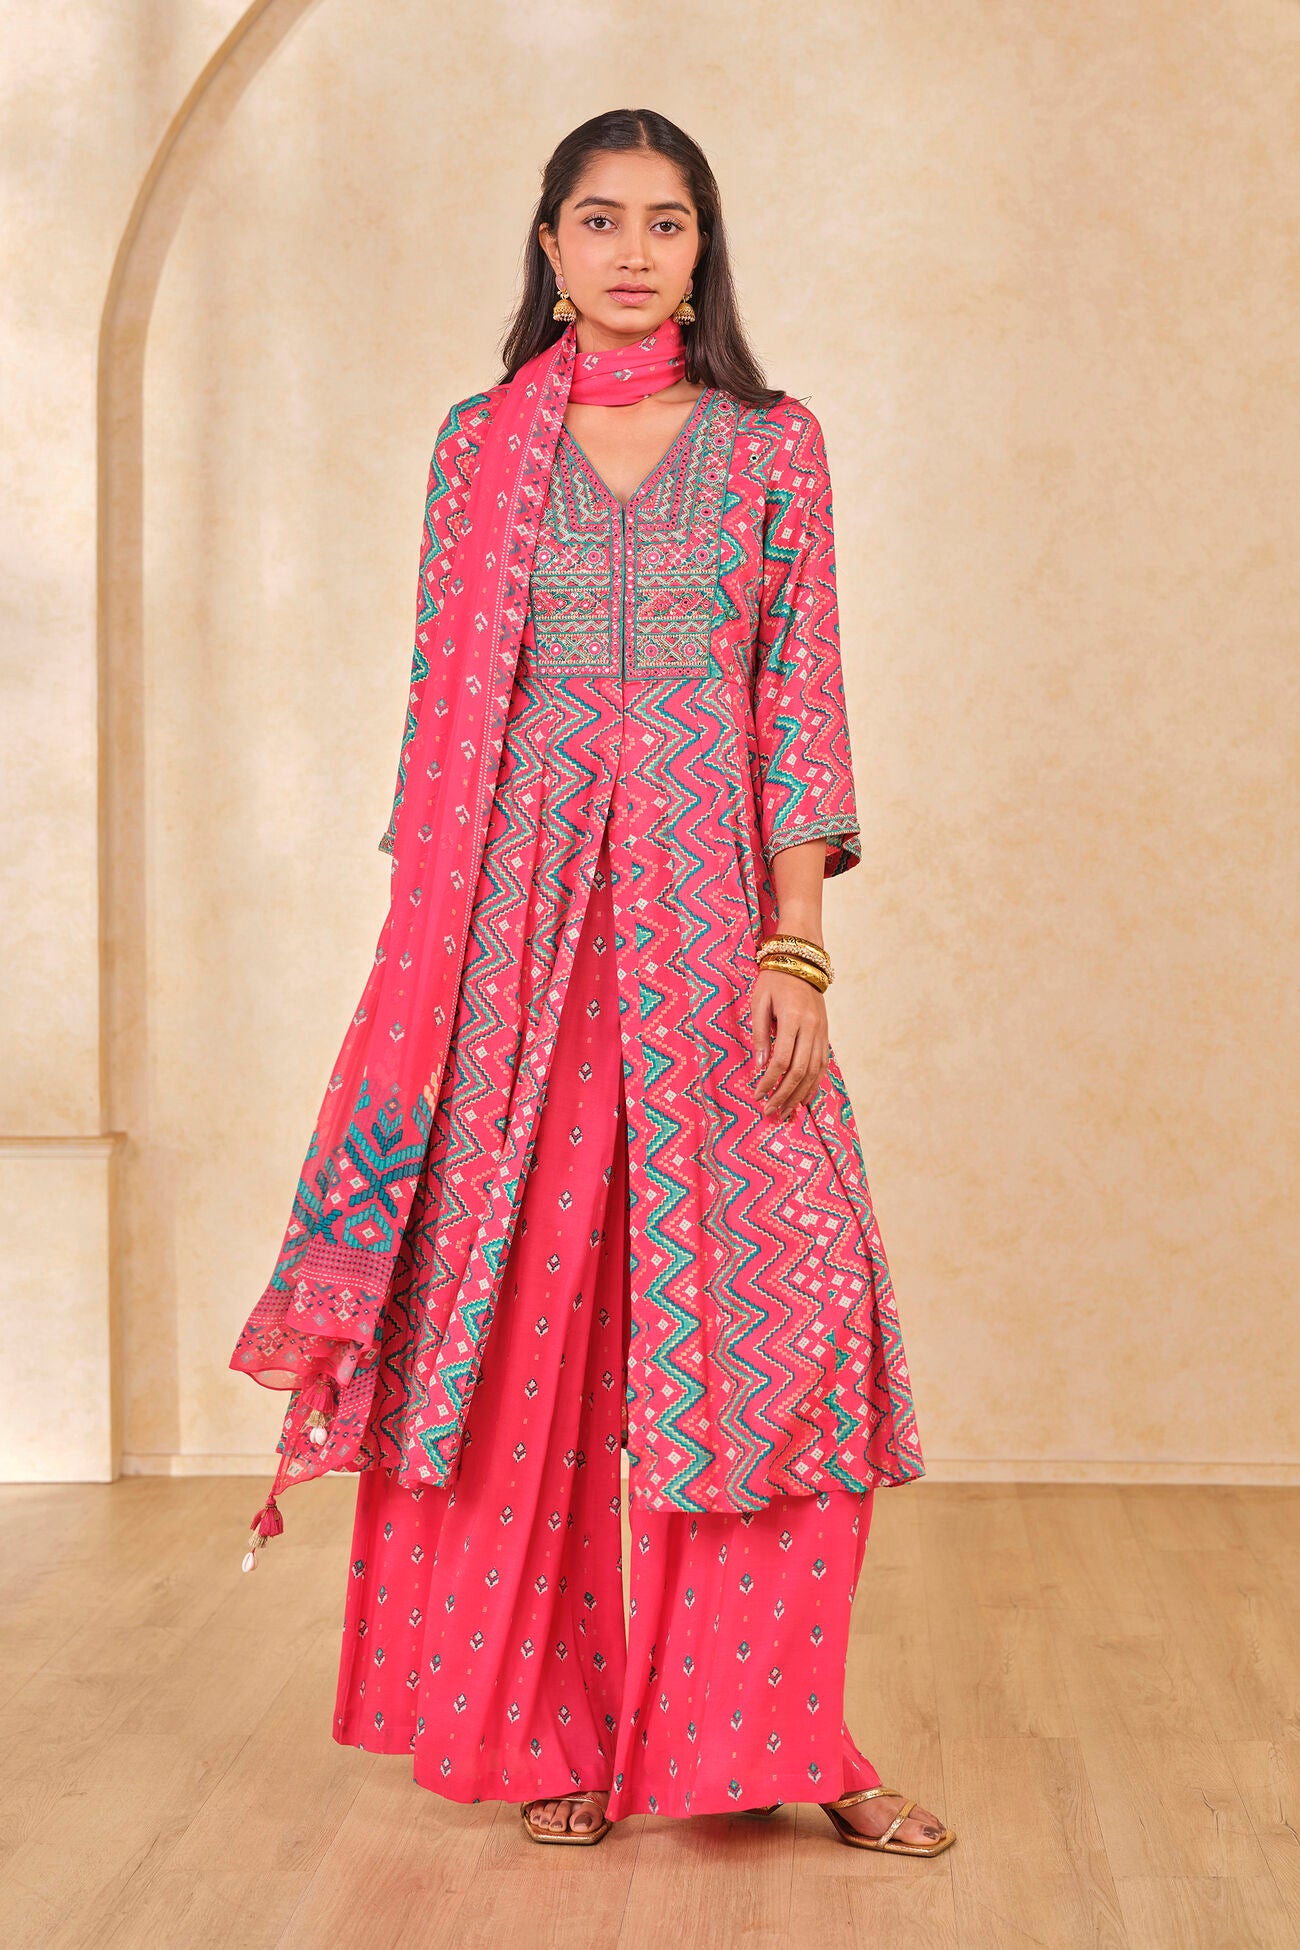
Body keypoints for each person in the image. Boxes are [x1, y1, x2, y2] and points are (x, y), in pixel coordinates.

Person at [228, 107, 954, 1858]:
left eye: (670, 223)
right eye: (599, 219)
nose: (635, 250)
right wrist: (438, 979)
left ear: (705, 255)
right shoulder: (480, 451)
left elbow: (803, 701)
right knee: (516, 1328)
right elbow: (436, 725)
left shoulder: (776, 446)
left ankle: (781, 1733)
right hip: (516, 948)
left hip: (708, 930)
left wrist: (796, 944)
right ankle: (546, 1722)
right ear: (548, 247)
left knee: (780, 1329)